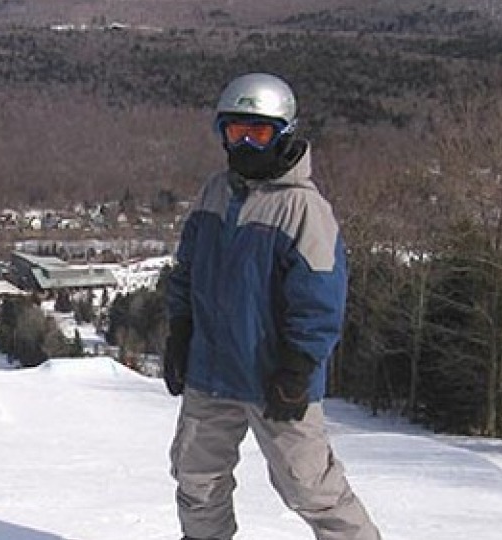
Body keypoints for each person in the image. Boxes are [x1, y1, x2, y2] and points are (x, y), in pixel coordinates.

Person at [163, 72, 382, 540]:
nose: (244, 143)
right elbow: (186, 271)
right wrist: (180, 333)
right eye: (235, 131)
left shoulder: (303, 209)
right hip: (211, 373)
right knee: (197, 478)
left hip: (275, 377)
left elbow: (320, 300)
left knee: (309, 487)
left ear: (283, 133)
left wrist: (298, 366)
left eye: (258, 133)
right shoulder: (215, 193)